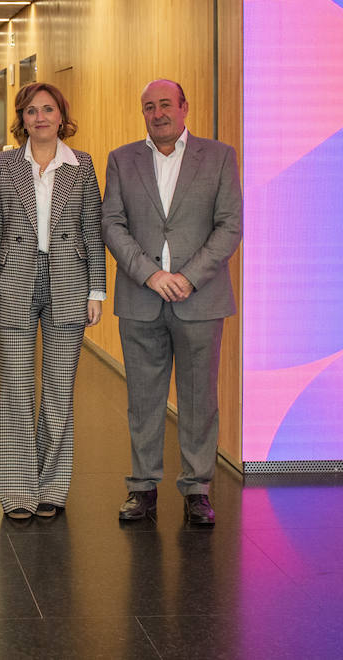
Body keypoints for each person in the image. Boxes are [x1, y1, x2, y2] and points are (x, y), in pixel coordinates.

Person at [101, 79, 242, 526]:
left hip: (199, 299)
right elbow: (112, 224)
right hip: (141, 296)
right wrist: (151, 274)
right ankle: (142, 487)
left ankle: (197, 489)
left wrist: (187, 277)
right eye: (149, 107)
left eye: (166, 105)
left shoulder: (218, 157)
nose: (158, 113)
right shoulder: (122, 160)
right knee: (143, 399)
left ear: (184, 107)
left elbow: (229, 226)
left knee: (200, 398)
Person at [0, 82, 105, 522]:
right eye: (32, 111)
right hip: (14, 283)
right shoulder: (5, 164)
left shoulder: (81, 165)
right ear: (21, 119)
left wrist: (96, 289)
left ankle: (51, 486)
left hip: (69, 283)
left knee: (60, 392)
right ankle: (17, 489)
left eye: (49, 109)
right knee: (14, 388)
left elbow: (92, 230)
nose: (40, 117)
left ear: (62, 116)